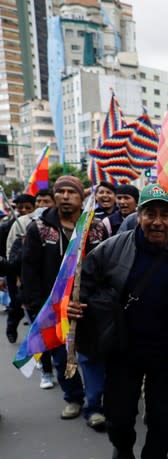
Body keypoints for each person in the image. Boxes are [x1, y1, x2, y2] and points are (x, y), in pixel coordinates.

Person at [69, 184, 168, 459]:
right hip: (122, 348)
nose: (157, 222)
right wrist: (77, 305)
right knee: (118, 416)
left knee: (161, 418)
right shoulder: (113, 247)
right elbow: (83, 283)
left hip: (167, 351)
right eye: (150, 214)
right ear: (139, 215)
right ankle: (122, 446)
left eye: (165, 215)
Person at [22, 176, 109, 423]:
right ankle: (73, 398)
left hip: (88, 306)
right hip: (54, 308)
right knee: (61, 357)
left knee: (91, 357)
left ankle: (94, 407)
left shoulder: (96, 226)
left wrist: (99, 302)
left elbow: (106, 267)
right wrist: (38, 305)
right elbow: (30, 270)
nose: (65, 196)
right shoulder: (39, 228)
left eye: (72, 191)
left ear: (82, 197)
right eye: (60, 192)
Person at [0, 193, 35, 345]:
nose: (23, 210)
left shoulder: (39, 224)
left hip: (32, 273)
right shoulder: (7, 226)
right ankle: (11, 327)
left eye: (28, 207)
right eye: (20, 207)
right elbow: (4, 253)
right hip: (13, 271)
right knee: (16, 304)